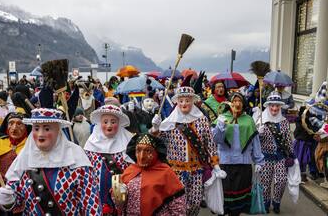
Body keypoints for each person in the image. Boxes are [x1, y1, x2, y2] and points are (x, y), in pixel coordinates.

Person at [0, 108, 101, 215]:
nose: (40, 134)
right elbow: (17, 201)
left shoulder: (77, 160)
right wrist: (7, 200)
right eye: (36, 129)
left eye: (47, 129)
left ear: (58, 131)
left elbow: (91, 205)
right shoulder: (24, 158)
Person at [151, 86, 219, 216]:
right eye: (181, 100)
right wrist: (155, 127)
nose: (184, 103)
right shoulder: (170, 121)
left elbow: (209, 143)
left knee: (195, 202)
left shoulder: (202, 120)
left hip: (196, 170)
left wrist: (215, 165)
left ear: (192, 101)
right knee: (178, 203)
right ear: (177, 102)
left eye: (187, 100)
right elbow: (158, 141)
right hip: (176, 171)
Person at [212, 92, 264, 216]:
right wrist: (220, 126)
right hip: (225, 165)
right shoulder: (222, 118)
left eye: (240, 101)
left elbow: (255, 142)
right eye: (234, 101)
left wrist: (258, 161)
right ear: (230, 103)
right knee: (224, 200)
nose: (237, 103)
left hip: (243, 166)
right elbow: (216, 140)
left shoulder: (248, 120)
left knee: (238, 204)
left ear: (243, 103)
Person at [113, 133, 186, 215]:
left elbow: (177, 204)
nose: (142, 156)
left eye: (148, 151)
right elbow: (118, 200)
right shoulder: (130, 170)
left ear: (156, 153)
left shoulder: (166, 172)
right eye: (138, 150)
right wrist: (117, 193)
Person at [84, 104, 134, 215]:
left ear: (119, 123)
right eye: (105, 122)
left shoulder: (130, 142)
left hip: (125, 195)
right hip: (99, 194)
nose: (109, 125)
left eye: (113, 121)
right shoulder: (90, 144)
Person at [258, 91, 294, 214]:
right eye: (272, 105)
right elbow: (254, 143)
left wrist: (292, 155)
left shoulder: (284, 121)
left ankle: (277, 202)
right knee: (265, 183)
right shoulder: (261, 120)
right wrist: (258, 134)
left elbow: (288, 139)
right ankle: (266, 203)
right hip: (265, 157)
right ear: (268, 106)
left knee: (281, 181)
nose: (274, 108)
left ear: (280, 107)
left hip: (280, 157)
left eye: (277, 105)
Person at [0, 112, 30, 215]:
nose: (14, 128)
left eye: (19, 124)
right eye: (11, 123)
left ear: (26, 126)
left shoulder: (31, 146)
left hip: (22, 193)